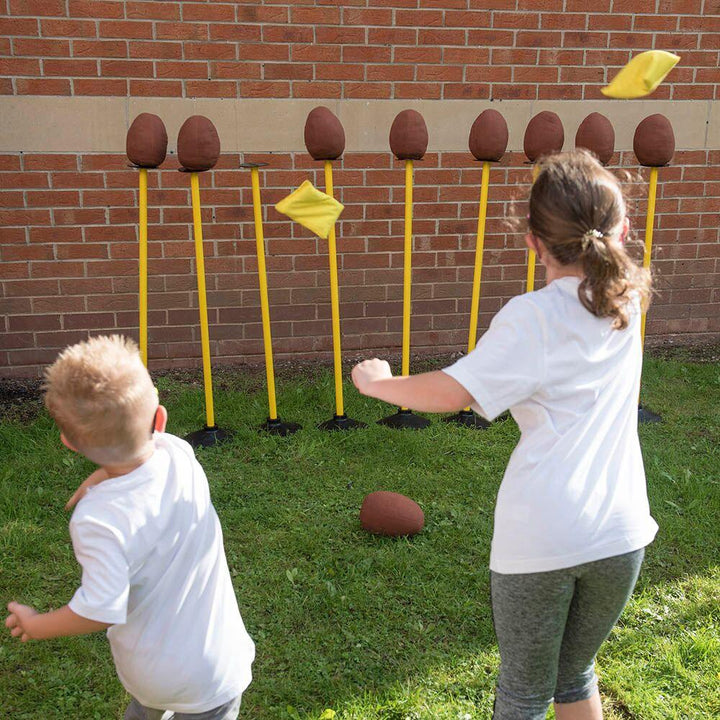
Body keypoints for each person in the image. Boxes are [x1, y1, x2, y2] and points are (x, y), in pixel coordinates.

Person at [352, 150, 658, 720]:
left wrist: (379, 384)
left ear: (532, 241)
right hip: (622, 536)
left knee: (522, 692)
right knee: (575, 675)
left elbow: (452, 393)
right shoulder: (628, 300)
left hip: (544, 537)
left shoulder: (531, 317)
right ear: (620, 230)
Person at [5, 335, 255, 720]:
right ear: (161, 418)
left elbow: (100, 607)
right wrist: (103, 474)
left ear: (69, 443)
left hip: (149, 673)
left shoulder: (96, 520)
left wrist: (38, 625)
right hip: (213, 668)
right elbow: (144, 450)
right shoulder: (181, 456)